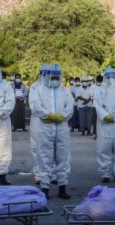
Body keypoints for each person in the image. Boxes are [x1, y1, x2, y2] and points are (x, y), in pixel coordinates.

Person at [33, 64, 73, 199]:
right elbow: (37, 106)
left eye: (57, 77)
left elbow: (70, 107)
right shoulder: (39, 90)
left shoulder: (65, 91)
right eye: (52, 77)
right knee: (45, 158)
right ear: (47, 76)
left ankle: (62, 187)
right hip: (46, 128)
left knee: (63, 158)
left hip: (62, 128)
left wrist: (62, 116)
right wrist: (49, 115)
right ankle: (45, 188)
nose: (55, 79)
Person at [29, 64, 50, 185]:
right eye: (44, 73)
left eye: (48, 74)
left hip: (51, 121)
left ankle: (49, 173)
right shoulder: (34, 87)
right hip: (37, 120)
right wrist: (46, 113)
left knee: (50, 147)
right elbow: (33, 105)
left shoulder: (54, 87)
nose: (46, 76)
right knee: (36, 147)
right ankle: (38, 174)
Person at [95, 66, 115, 183]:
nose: (110, 78)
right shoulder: (99, 90)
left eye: (112, 76)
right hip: (104, 125)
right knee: (104, 149)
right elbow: (97, 105)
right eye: (108, 76)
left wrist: (114, 115)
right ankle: (105, 174)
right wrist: (105, 115)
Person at [90, 75, 103, 140]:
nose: (99, 82)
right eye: (99, 80)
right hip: (95, 106)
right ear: (96, 80)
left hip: (102, 107)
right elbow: (91, 97)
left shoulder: (104, 86)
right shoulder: (92, 87)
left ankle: (101, 134)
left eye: (100, 81)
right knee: (95, 121)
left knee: (102, 121)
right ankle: (95, 134)